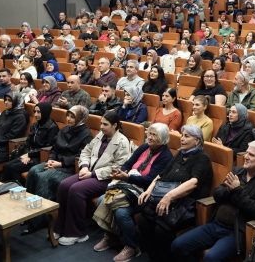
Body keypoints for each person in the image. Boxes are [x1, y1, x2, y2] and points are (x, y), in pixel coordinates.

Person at [91, 123, 172, 260]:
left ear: (163, 138)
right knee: (101, 200)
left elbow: (150, 181)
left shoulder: (166, 156)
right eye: (150, 133)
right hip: (128, 187)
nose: (150, 137)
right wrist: (121, 172)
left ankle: (132, 246)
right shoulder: (145, 147)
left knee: (122, 213)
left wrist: (127, 177)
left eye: (154, 135)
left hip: (146, 194)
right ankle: (112, 236)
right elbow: (128, 164)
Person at [137, 124, 214, 261]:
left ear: (197, 140)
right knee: (143, 221)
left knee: (161, 229)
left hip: (187, 203)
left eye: (187, 136)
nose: (182, 139)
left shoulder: (202, 158)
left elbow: (193, 182)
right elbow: (161, 174)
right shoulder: (180, 154)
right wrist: (149, 189)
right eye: (182, 135)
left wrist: (169, 196)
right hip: (169, 198)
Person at [54, 111, 131, 245]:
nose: (101, 127)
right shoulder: (100, 135)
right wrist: (84, 166)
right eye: (101, 123)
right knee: (64, 185)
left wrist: (92, 174)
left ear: (115, 125)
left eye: (105, 124)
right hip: (89, 172)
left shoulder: (122, 142)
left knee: (76, 190)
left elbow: (117, 168)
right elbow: (86, 151)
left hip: (107, 179)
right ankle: (60, 227)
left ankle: (77, 233)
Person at [17, 106, 93, 234]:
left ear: (81, 118)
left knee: (44, 177)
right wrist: (50, 160)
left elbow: (81, 156)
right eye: (68, 115)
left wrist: (60, 163)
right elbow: (54, 149)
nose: (68, 119)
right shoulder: (64, 130)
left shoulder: (86, 135)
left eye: (72, 117)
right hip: (55, 162)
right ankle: (28, 213)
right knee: (33, 171)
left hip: (69, 168)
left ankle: (39, 220)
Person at [1, 102, 60, 183]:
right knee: (7, 166)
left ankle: (17, 189)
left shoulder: (52, 127)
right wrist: (26, 155)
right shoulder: (34, 125)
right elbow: (27, 143)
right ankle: (6, 188)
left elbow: (47, 148)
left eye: (38, 112)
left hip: (40, 158)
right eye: (35, 111)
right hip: (29, 155)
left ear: (45, 112)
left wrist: (29, 155)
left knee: (13, 168)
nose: (35, 114)